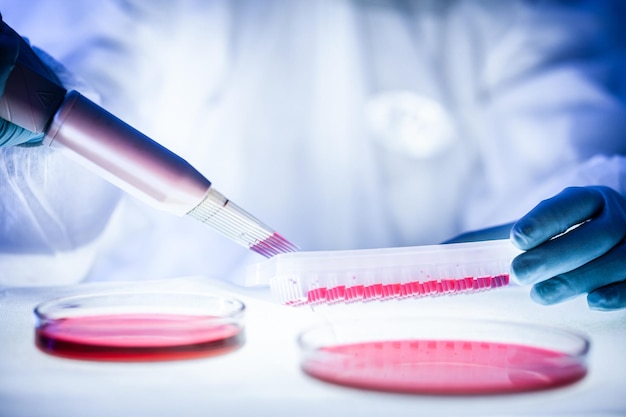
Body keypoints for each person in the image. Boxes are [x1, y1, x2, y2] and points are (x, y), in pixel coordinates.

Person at [0, 0, 624, 310]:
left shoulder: (515, 18)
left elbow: (571, 174)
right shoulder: (143, 13)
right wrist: (37, 118)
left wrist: (601, 214)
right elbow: (51, 205)